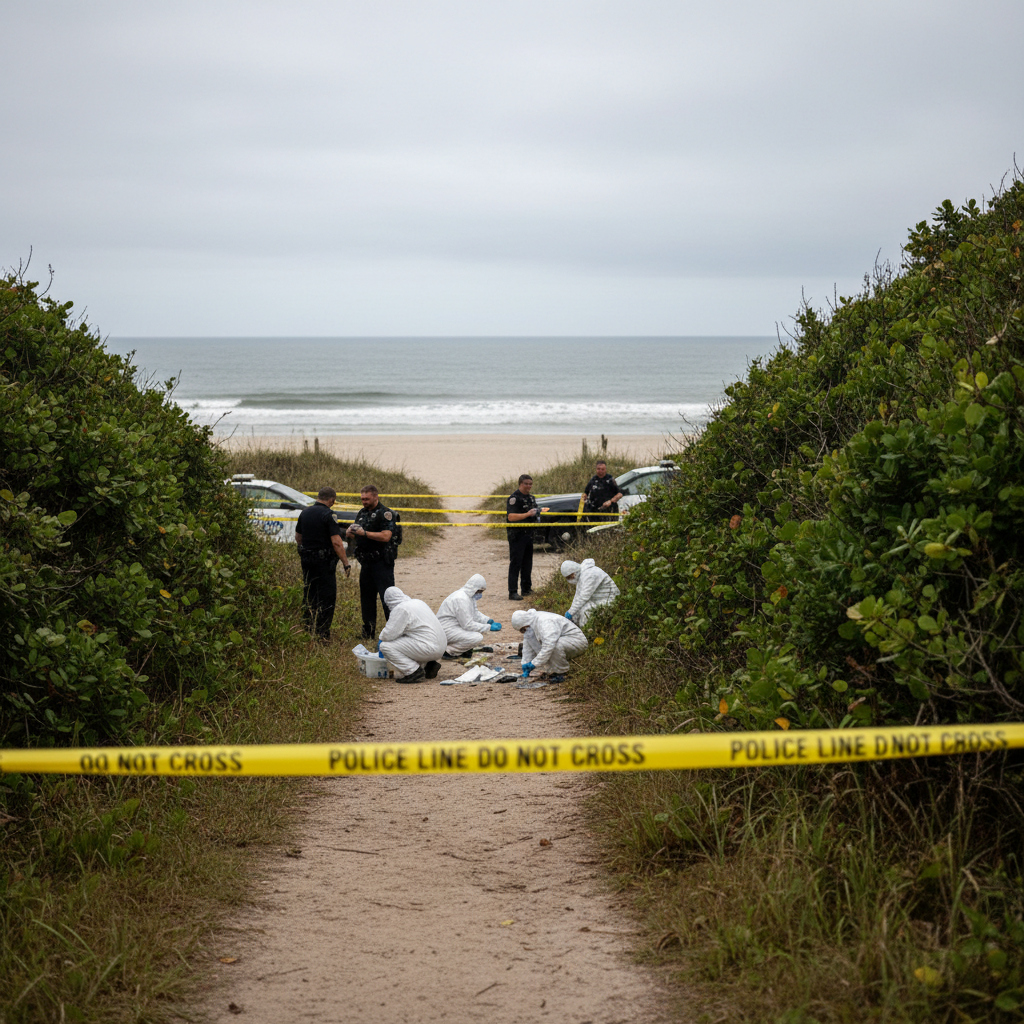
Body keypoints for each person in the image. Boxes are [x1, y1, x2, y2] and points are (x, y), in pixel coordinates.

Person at [294, 486, 351, 641]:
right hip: (324, 564)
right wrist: (345, 563)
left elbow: (298, 538)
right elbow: (337, 542)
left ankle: (307, 629)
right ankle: (322, 634)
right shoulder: (329, 515)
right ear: (332, 500)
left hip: (307, 561)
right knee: (326, 597)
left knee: (309, 594)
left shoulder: (305, 512)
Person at [346, 485, 397, 639]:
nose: (364, 502)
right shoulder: (362, 513)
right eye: (362, 499)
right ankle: (368, 633)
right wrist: (350, 533)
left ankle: (394, 632)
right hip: (366, 563)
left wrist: (365, 533)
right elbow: (358, 534)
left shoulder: (385, 513)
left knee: (387, 599)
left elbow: (386, 536)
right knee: (367, 599)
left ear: (376, 497)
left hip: (382, 563)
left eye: (367, 499)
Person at [377, 587, 447, 684]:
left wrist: (380, 640)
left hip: (430, 647)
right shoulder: (418, 602)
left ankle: (413, 671)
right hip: (441, 646)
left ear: (388, 602)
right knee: (412, 638)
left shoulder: (401, 609)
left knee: (385, 646)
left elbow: (388, 635)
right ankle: (429, 665)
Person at [510, 608, 588, 682]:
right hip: (563, 641)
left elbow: (549, 645)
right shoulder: (530, 626)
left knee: (553, 646)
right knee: (548, 646)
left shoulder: (544, 621)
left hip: (577, 642)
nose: (523, 631)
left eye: (522, 629)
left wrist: (534, 663)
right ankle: (554, 670)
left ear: (525, 623)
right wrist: (525, 663)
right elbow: (528, 647)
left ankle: (562, 672)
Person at [437, 573, 502, 658]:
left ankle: (460, 650)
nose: (480, 594)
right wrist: (488, 627)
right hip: (446, 630)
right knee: (476, 637)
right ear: (474, 589)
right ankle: (449, 651)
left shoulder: (469, 597)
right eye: (479, 591)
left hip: (451, 628)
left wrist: (487, 620)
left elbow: (475, 613)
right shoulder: (461, 599)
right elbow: (467, 625)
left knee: (474, 632)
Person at [506, 474, 547, 601]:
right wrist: (527, 514)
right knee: (516, 563)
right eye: (526, 484)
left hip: (529, 534)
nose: (528, 486)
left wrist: (538, 512)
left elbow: (534, 513)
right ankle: (513, 591)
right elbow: (511, 517)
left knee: (527, 563)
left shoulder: (531, 498)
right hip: (517, 535)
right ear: (520, 484)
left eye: (530, 484)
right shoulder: (514, 498)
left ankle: (526, 589)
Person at [561, 558, 620, 627]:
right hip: (597, 600)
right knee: (577, 612)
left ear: (574, 571)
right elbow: (578, 596)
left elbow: (584, 597)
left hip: (610, 600)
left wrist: (571, 612)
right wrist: (571, 612)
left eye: (571, 576)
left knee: (586, 611)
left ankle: (587, 630)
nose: (571, 579)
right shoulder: (581, 576)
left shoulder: (590, 574)